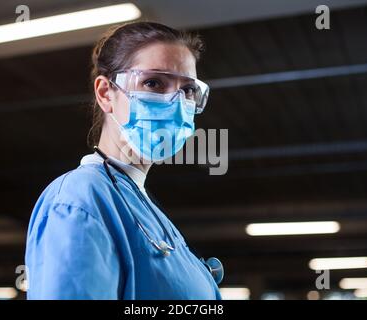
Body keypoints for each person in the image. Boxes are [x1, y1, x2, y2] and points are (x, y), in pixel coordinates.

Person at [25, 21, 222, 299]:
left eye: (188, 90)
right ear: (106, 93)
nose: (176, 104)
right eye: (153, 83)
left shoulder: (139, 201)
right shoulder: (78, 199)